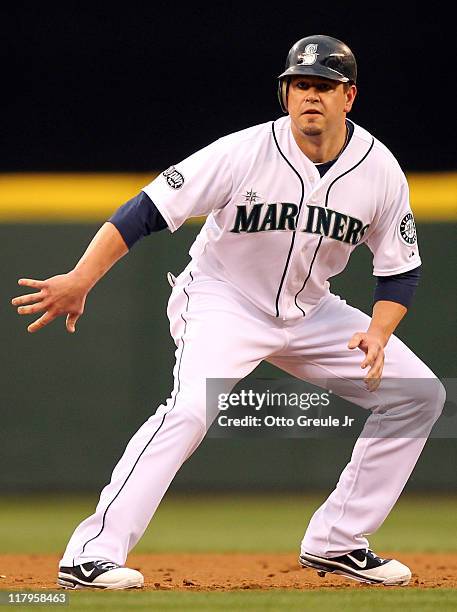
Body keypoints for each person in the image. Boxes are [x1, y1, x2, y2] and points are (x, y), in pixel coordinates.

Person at [12, 35, 445, 590]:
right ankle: (90, 553)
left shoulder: (380, 169)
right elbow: (146, 210)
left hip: (310, 311)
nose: (310, 96)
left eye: (324, 86)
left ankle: (338, 541)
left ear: (349, 97)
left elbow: (400, 271)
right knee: (191, 407)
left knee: (418, 396)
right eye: (300, 85)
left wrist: (379, 332)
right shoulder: (243, 151)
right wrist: (80, 277)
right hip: (222, 299)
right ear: (286, 93)